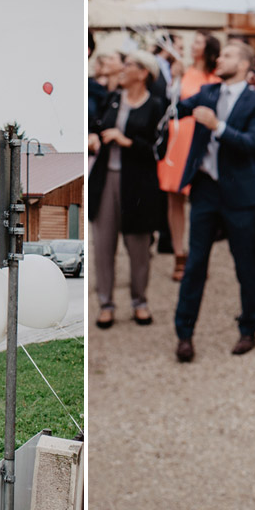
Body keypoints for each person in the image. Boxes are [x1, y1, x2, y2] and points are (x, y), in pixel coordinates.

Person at [172, 39, 255, 362]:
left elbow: (253, 143)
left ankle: (249, 329)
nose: (220, 58)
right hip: (205, 190)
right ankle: (184, 335)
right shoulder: (209, 92)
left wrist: (218, 126)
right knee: (195, 264)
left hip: (240, 194)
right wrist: (176, 85)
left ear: (243, 65)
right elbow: (177, 110)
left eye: (227, 55)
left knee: (245, 264)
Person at [87, 51, 167, 329]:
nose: (122, 68)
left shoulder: (156, 105)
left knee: (139, 247)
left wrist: (127, 141)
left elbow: (159, 149)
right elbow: (95, 125)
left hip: (139, 182)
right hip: (105, 178)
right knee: (104, 246)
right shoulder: (112, 99)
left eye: (129, 65)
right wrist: (94, 137)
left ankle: (139, 301)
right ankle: (105, 304)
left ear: (143, 72)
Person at [158, 31, 220, 281]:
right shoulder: (183, 71)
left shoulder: (216, 77)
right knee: (175, 198)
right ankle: (179, 254)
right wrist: (176, 78)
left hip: (204, 139)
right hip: (179, 139)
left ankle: (199, 255)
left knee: (204, 200)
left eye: (198, 41)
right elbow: (171, 104)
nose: (193, 45)